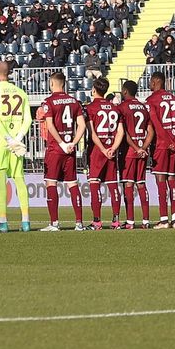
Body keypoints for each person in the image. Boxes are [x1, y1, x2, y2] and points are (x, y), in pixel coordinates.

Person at [0, 61, 31, 232]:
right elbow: (28, 120)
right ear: (8, 73)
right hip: (16, 143)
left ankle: (3, 221)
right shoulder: (21, 92)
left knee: (0, 181)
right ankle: (26, 221)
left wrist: (7, 138)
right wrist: (17, 138)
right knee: (19, 179)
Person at [38, 72, 86, 232]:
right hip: (70, 149)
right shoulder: (74, 102)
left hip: (55, 149)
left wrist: (61, 143)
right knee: (72, 183)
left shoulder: (49, 102)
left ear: (52, 84)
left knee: (51, 182)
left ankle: (54, 223)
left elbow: (50, 126)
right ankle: (79, 223)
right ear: (64, 84)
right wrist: (72, 143)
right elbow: (82, 126)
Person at [146, 72, 175, 228]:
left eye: (151, 82)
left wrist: (168, 142)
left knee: (161, 181)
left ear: (156, 81)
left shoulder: (151, 100)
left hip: (161, 145)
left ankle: (164, 219)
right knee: (172, 180)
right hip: (173, 145)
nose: (150, 84)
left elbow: (156, 123)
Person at [85, 78, 125, 230]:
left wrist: (102, 149)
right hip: (111, 150)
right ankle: (116, 221)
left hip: (97, 150)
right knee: (113, 185)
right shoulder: (115, 108)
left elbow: (92, 132)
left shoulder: (90, 108)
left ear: (94, 90)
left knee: (95, 185)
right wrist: (113, 148)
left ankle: (97, 221)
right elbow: (120, 131)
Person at [117, 81, 153, 229]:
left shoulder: (122, 108)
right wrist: (143, 147)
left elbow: (123, 132)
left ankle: (130, 221)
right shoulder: (144, 107)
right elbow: (150, 131)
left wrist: (135, 148)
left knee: (128, 184)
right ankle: (146, 220)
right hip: (142, 151)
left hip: (129, 152)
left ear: (125, 92)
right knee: (141, 184)